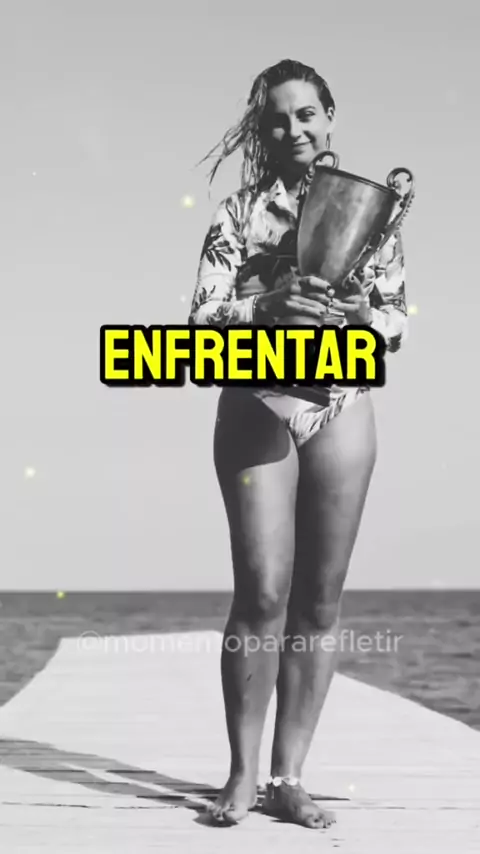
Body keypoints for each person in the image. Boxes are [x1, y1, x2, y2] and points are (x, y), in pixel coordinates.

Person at [188, 58, 408, 830]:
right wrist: (270, 302)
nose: (294, 129)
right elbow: (200, 322)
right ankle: (242, 775)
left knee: (318, 600)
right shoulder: (237, 215)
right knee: (262, 592)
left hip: (342, 403)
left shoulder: (373, 211)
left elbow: (396, 322)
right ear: (263, 130)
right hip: (257, 399)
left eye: (307, 113)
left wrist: (360, 314)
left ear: (329, 116)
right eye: (278, 119)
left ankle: (288, 777)